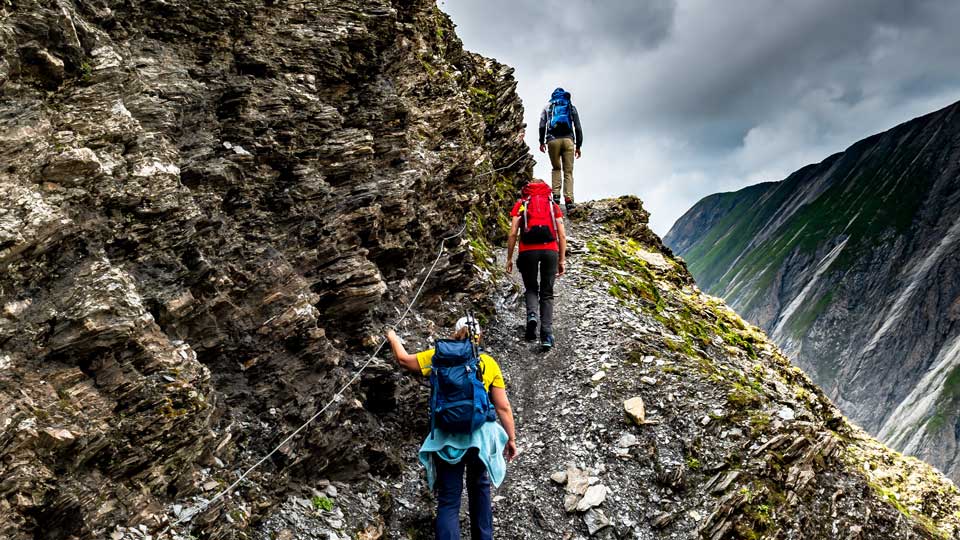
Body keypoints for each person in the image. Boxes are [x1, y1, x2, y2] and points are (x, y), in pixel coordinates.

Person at [385, 317, 518, 540]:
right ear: (479, 336)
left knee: (449, 499)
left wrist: (391, 337)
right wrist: (511, 439)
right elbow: (503, 406)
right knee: (479, 490)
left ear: (456, 333)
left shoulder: (438, 357)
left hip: (447, 438)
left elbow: (403, 360)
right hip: (480, 439)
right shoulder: (488, 362)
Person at [505, 179, 567, 350]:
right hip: (550, 251)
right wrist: (562, 259)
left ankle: (532, 316)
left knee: (531, 287)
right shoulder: (551, 204)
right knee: (547, 293)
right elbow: (562, 235)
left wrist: (509, 258)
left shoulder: (522, 203)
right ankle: (546, 335)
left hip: (527, 251)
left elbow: (512, 233)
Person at [538, 87, 583, 210]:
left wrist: (541, 142)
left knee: (556, 168)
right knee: (568, 171)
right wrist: (578, 146)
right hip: (568, 140)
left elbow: (542, 126)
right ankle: (569, 199)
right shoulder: (570, 107)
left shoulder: (547, 107)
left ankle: (556, 197)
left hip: (552, 141)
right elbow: (578, 128)